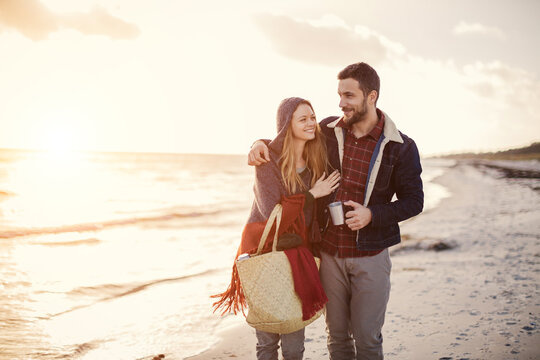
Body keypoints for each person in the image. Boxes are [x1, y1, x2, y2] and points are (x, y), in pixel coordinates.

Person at [248, 62, 424, 360]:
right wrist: (258, 143)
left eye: (349, 96)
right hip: (328, 254)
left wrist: (372, 215)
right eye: (339, 95)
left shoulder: (401, 146)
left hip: (371, 255)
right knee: (337, 339)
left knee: (368, 339)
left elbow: (414, 201)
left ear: (371, 96)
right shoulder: (329, 130)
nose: (341, 103)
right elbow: (289, 136)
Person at [213, 97, 341, 360]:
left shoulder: (316, 158)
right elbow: (271, 211)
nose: (310, 123)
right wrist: (311, 195)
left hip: (298, 256)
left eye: (312, 117)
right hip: (264, 250)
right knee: (267, 341)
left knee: (294, 345)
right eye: (302, 119)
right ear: (286, 125)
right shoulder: (267, 160)